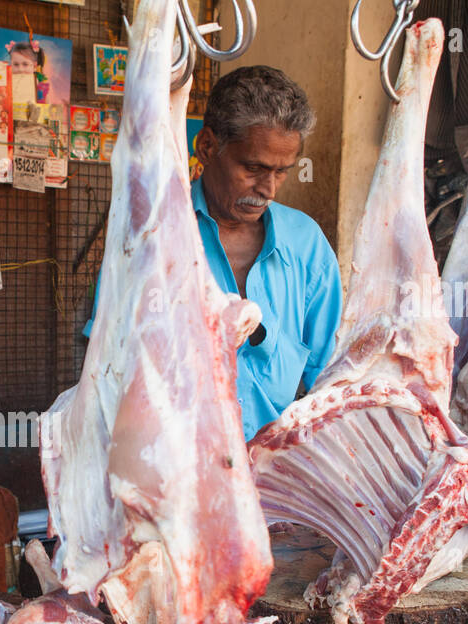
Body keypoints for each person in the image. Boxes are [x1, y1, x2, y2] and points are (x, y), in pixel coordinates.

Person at [84, 66, 341, 440]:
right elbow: (107, 367)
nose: (268, 188)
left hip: (281, 470)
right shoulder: (149, 236)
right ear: (206, 147)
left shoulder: (306, 243)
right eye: (253, 168)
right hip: (177, 466)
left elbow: (331, 376)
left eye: (282, 172)